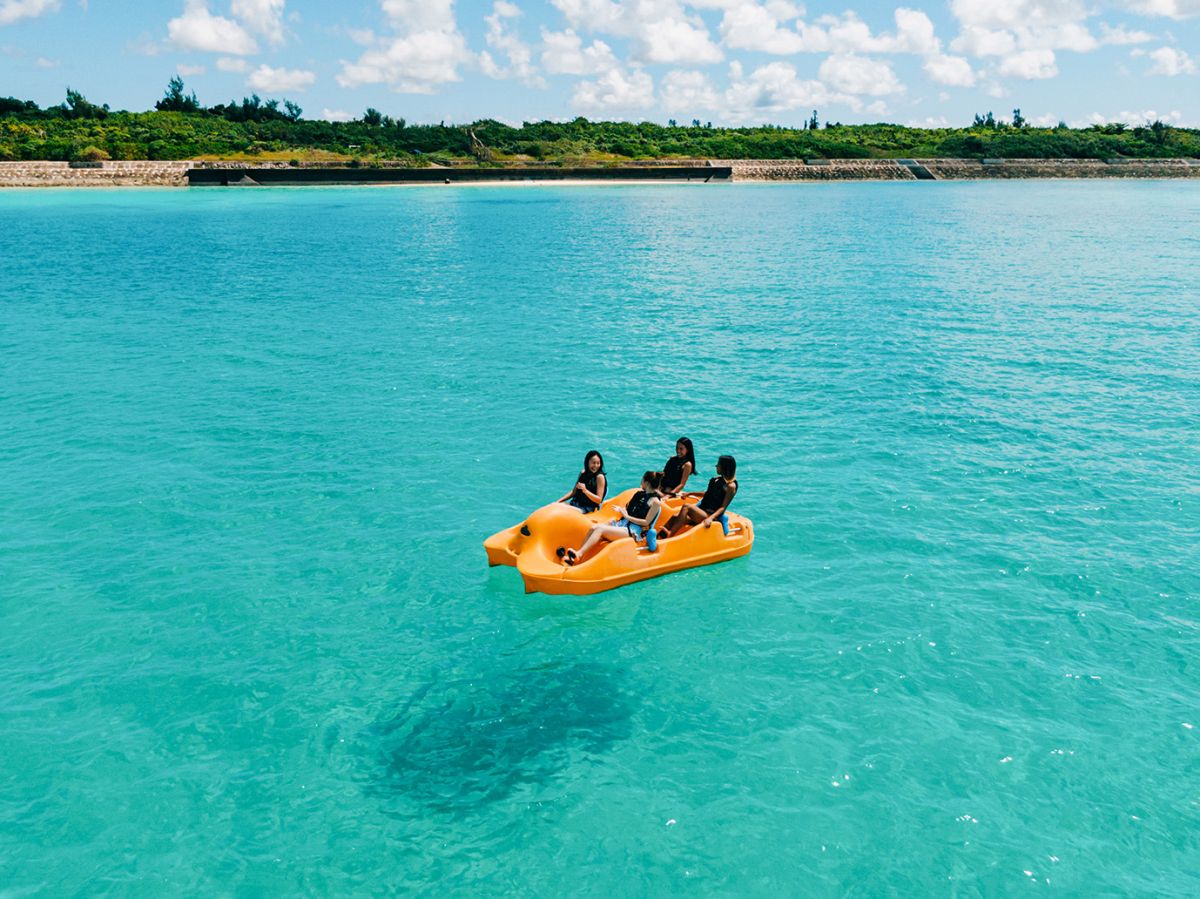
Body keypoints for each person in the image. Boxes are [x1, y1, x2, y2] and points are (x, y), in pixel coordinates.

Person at [561, 471, 663, 565]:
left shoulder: (655, 502)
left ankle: (579, 554)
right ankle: (578, 557)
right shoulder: (639, 494)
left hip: (633, 532)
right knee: (593, 528)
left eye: (643, 479)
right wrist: (621, 510)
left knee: (600, 530)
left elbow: (646, 522)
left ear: (646, 482)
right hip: (623, 524)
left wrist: (627, 516)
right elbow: (629, 510)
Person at [660, 455, 737, 538]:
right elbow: (707, 494)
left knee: (687, 507)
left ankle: (670, 534)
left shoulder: (731, 486)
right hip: (702, 512)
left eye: (719, 464)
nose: (716, 466)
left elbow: (723, 507)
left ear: (725, 467)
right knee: (675, 517)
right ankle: (659, 537)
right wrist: (690, 493)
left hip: (710, 515)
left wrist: (710, 519)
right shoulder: (717, 480)